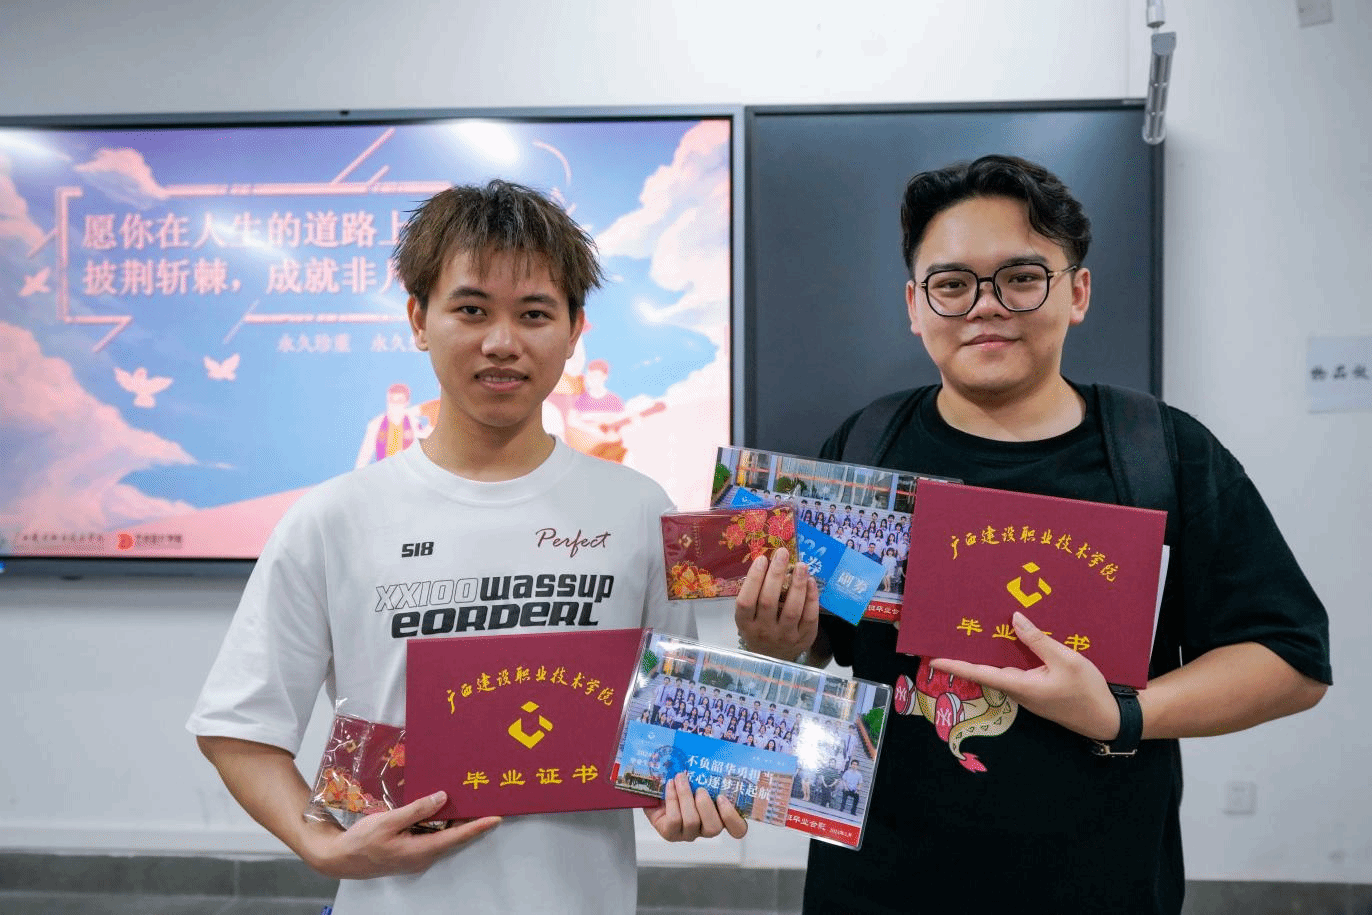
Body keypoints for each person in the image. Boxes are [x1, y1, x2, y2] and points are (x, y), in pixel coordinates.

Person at [734, 155, 1331, 913]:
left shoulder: (1162, 452)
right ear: (916, 305)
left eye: (1021, 277)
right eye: (953, 284)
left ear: (1077, 292)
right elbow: (826, 642)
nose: (986, 305)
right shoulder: (863, 447)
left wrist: (1121, 713)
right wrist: (778, 640)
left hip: (1101, 886)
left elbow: (1291, 658)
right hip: (875, 885)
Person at [188, 180, 745, 915]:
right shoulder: (334, 517)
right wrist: (321, 844)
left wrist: (677, 796)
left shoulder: (637, 509)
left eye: (535, 313)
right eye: (472, 309)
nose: (502, 342)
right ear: (419, 319)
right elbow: (238, 728)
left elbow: (668, 728)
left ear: (575, 329)